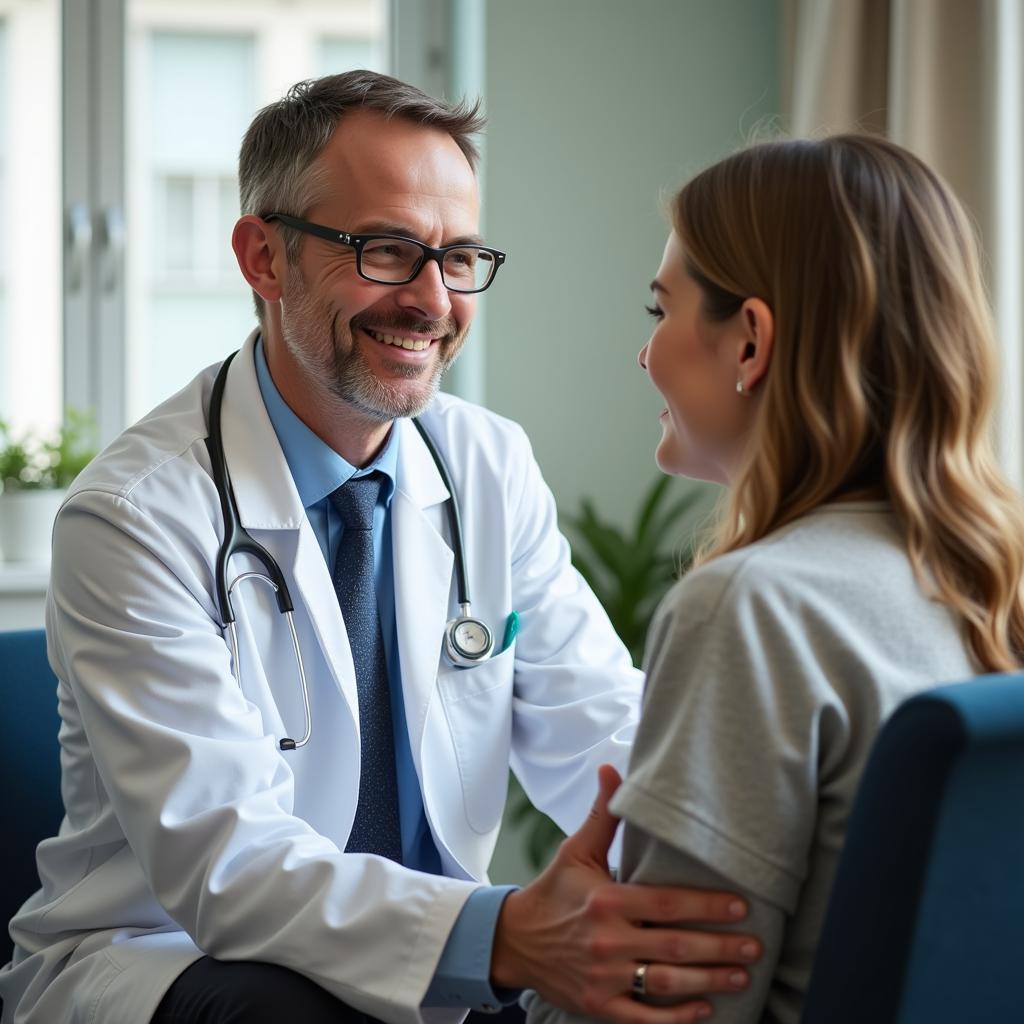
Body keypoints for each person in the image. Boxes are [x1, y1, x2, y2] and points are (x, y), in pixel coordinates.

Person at [0, 72, 762, 1024]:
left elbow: (605, 739)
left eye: (459, 257)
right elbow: (227, 864)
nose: (433, 300)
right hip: (167, 960)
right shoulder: (133, 514)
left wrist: (749, 858)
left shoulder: (489, 464)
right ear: (263, 257)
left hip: (430, 966)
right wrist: (510, 936)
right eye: (389, 251)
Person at [525, 133, 1024, 1024]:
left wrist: (559, 955)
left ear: (750, 341)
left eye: (659, 310)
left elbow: (669, 1015)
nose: (646, 356)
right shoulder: (988, 584)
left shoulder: (753, 611)